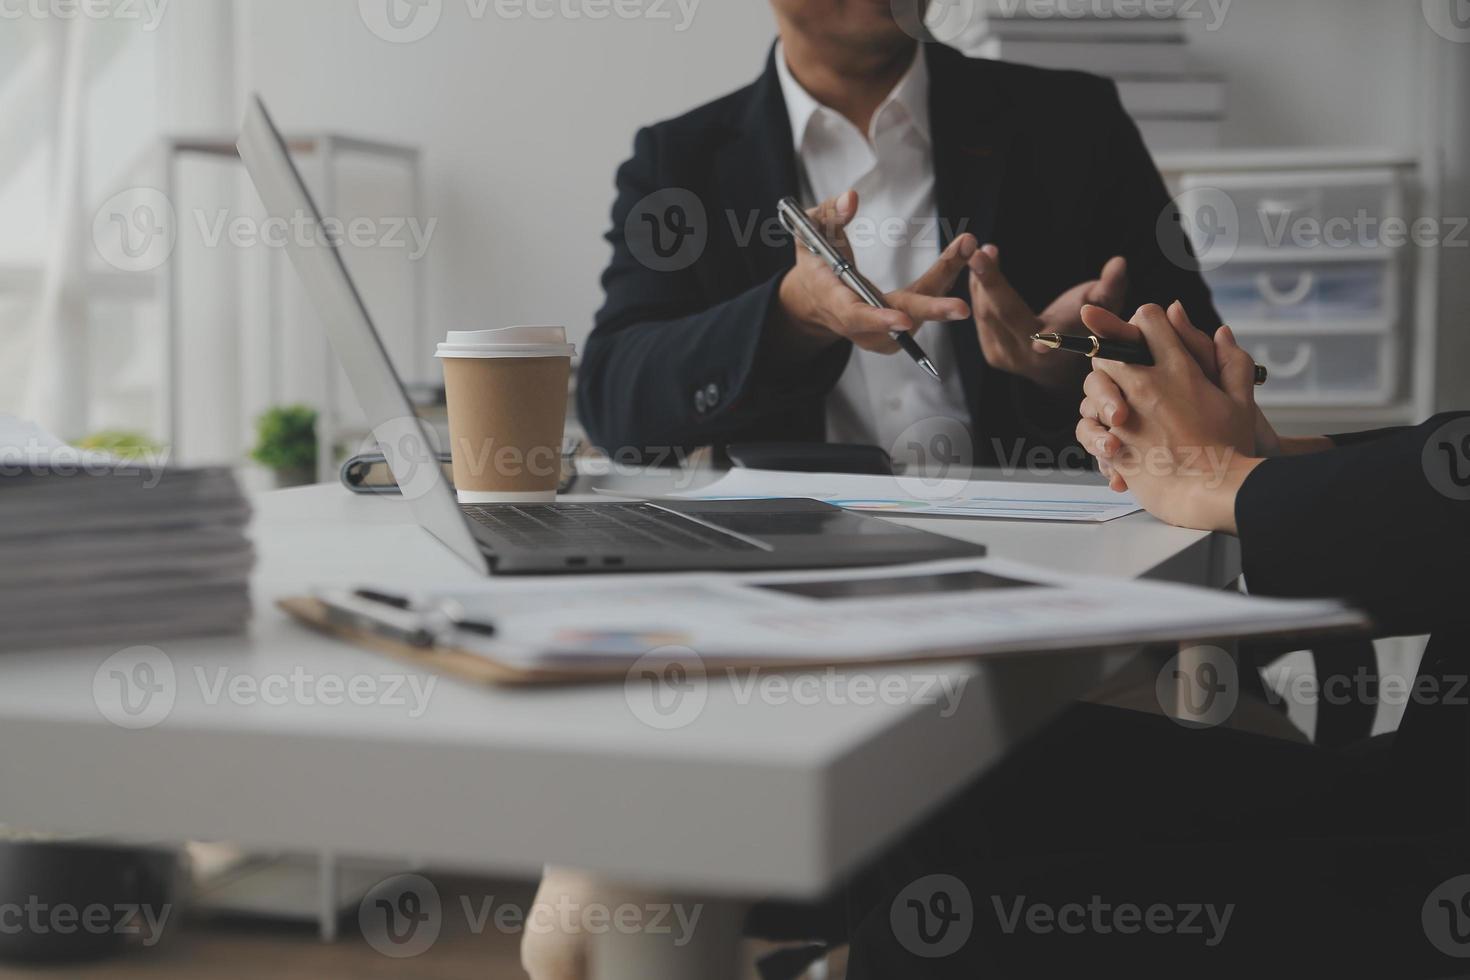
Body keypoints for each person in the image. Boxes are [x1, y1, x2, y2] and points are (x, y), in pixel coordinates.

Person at [837, 303, 1469, 977]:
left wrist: (1227, 481)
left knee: (930, 944)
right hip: (1428, 776)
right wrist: (1272, 464)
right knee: (926, 785)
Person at [575, 0, 1218, 468]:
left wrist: (1069, 362)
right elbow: (616, 410)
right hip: (789, 567)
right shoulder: (679, 162)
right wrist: (792, 317)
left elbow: (1207, 372)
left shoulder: (1074, 124)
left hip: (1055, 554)